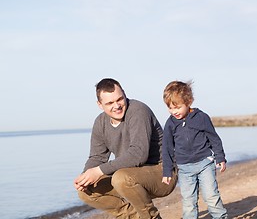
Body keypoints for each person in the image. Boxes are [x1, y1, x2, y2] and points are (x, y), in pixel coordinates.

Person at [73, 78, 178, 219]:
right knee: (86, 191)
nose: (117, 106)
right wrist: (85, 177)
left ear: (124, 94)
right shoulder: (100, 122)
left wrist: (98, 171)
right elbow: (97, 157)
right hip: (131, 174)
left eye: (120, 99)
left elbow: (138, 154)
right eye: (110, 103)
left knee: (120, 178)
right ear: (100, 104)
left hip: (163, 173)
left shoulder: (138, 111)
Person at [161, 80, 228, 219]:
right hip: (184, 168)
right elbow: (167, 148)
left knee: (211, 196)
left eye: (177, 107)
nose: (174, 112)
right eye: (170, 108)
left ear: (189, 101)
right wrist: (167, 171)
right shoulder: (170, 124)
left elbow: (214, 138)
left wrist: (220, 157)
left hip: (205, 164)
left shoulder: (201, 117)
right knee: (188, 202)